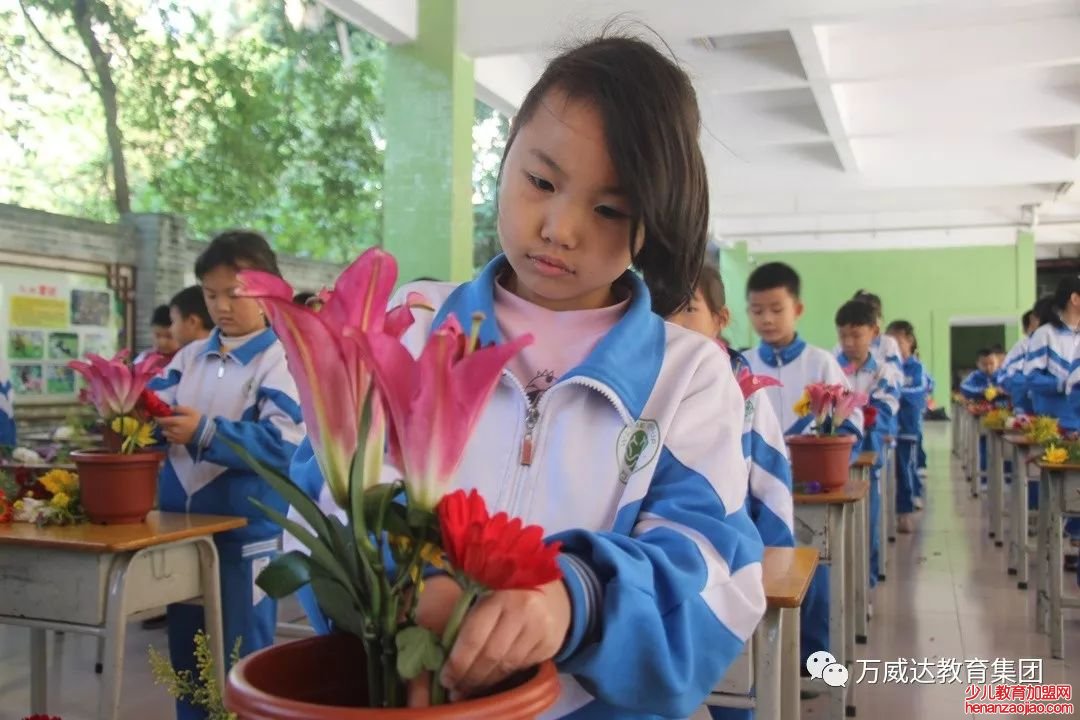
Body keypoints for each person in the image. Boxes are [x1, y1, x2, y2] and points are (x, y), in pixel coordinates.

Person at [292, 34, 765, 719]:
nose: (559, 228)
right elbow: (323, 499)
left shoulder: (687, 374)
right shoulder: (412, 325)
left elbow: (713, 569)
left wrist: (571, 600)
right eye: (541, 182)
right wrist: (411, 590)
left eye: (610, 209)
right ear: (508, 146)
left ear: (654, 221)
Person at [150, 230, 306, 720]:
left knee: (241, 659)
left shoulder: (282, 359)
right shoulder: (188, 358)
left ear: (268, 289)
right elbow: (149, 409)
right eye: (211, 294)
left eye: (234, 293)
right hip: (181, 533)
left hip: (245, 540)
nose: (221, 306)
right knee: (188, 662)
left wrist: (206, 432)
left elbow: (285, 445)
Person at [743, 260, 862, 674]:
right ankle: (762, 668)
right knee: (757, 575)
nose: (767, 319)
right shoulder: (742, 365)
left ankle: (813, 661)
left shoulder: (820, 363)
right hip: (753, 492)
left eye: (776, 309)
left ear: (798, 309)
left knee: (813, 578)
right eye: (757, 310)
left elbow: (851, 421)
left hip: (810, 489)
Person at [836, 299, 900, 583]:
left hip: (868, 455)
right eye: (843, 336)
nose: (849, 343)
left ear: (874, 332)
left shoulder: (884, 372)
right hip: (836, 456)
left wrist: (850, 412)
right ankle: (839, 583)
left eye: (856, 335)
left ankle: (866, 581)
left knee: (867, 521)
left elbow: (883, 411)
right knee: (835, 526)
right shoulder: (831, 367)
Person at [886, 320, 929, 532]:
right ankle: (887, 512)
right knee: (887, 472)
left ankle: (905, 511)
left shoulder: (916, 367)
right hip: (887, 430)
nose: (893, 347)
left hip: (907, 428)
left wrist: (893, 393)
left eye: (898, 342)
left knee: (905, 470)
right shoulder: (886, 365)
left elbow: (919, 393)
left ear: (910, 342)